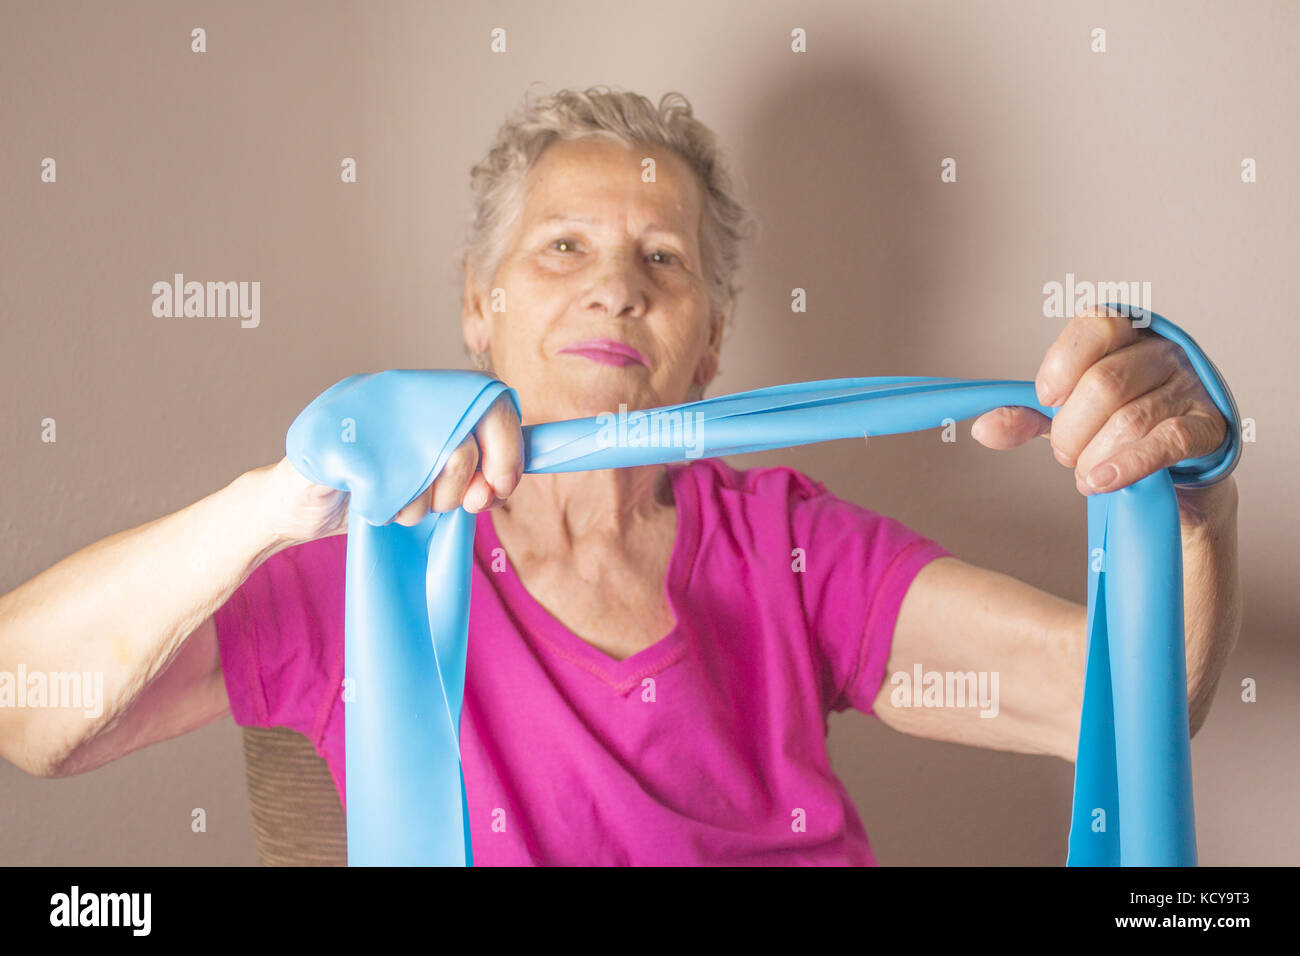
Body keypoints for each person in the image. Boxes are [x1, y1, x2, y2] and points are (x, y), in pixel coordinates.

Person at [0, 86, 1241, 865]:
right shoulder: (351, 571)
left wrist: (1184, 505)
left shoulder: (786, 545)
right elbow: (26, 713)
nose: (617, 284)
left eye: (663, 256)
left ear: (710, 341)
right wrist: (284, 495)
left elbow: (1133, 701)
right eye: (562, 248)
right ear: (479, 308)